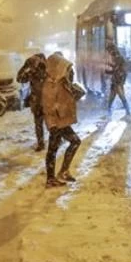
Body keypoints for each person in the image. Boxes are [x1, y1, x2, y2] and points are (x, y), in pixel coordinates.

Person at [41, 52, 82, 187]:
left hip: (62, 121)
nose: (66, 70)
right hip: (57, 123)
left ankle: (58, 175)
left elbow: (65, 99)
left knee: (55, 149)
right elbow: (48, 107)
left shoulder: (60, 81)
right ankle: (55, 176)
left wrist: (75, 93)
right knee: (69, 144)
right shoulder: (49, 84)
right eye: (63, 67)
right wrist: (51, 123)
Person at [18, 52, 48, 151]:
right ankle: (42, 143)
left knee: (47, 124)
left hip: (46, 101)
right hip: (40, 102)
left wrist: (25, 68)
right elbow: (20, 79)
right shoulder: (33, 72)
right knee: (40, 124)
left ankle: (46, 142)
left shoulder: (47, 69)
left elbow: (20, 78)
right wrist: (25, 67)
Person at [104, 40, 131, 121]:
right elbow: (118, 69)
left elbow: (116, 70)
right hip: (117, 81)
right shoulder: (118, 57)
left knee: (121, 97)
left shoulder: (117, 58)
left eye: (108, 50)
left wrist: (106, 71)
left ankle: (128, 113)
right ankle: (109, 115)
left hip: (117, 82)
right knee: (112, 99)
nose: (108, 53)